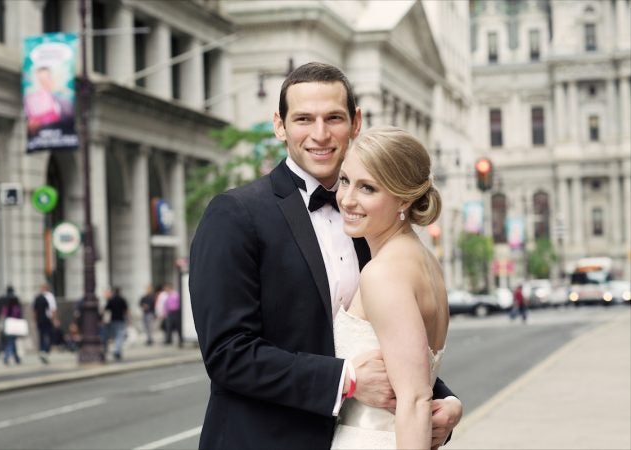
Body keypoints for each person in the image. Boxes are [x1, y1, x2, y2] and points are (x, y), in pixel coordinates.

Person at [189, 62, 462, 450]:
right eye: (303, 118)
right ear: (279, 126)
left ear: (355, 122)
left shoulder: (370, 223)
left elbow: (390, 340)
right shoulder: (234, 215)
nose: (320, 134)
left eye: (333, 117)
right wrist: (345, 379)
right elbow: (226, 353)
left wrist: (445, 403)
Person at [330, 126, 450, 449]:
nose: (347, 199)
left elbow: (414, 399)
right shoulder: (427, 263)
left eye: (367, 188)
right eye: (344, 181)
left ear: (404, 198)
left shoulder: (382, 274)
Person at [104, 287, 130, 361]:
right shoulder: (122, 299)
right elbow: (126, 310)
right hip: (120, 320)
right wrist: (129, 319)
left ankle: (117, 351)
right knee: (120, 336)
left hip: (113, 320)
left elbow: (106, 310)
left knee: (116, 337)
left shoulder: (111, 300)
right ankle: (116, 350)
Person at [0, 286, 23, 365]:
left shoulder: (4, 299)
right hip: (14, 323)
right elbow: (18, 313)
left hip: (8, 323)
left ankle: (17, 359)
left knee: (11, 341)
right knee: (11, 342)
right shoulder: (15, 300)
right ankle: (6, 357)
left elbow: (3, 313)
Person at [33, 283, 55, 364]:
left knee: (41, 336)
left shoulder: (37, 297)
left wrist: (35, 319)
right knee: (48, 335)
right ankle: (45, 350)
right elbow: (51, 309)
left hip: (40, 320)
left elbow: (34, 311)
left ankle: (42, 350)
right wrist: (53, 319)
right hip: (46, 319)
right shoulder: (48, 297)